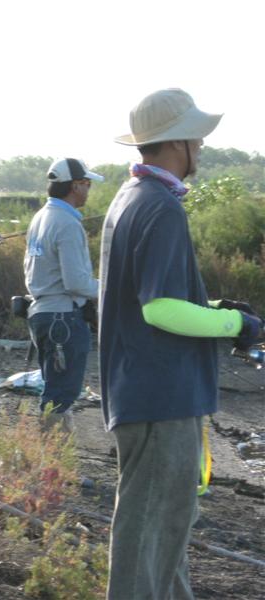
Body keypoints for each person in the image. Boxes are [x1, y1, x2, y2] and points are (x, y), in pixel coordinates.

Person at [99, 88, 264, 599]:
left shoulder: (130, 198)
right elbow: (160, 309)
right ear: (179, 144)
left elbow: (150, 298)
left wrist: (217, 312)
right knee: (150, 534)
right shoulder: (160, 208)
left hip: (145, 394)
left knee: (165, 532)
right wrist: (239, 328)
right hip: (160, 398)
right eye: (197, 136)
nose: (202, 145)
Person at [24, 158, 103, 432]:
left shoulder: (40, 218)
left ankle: (57, 468)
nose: (89, 189)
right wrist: (111, 289)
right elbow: (76, 282)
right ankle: (52, 469)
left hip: (43, 315)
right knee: (61, 396)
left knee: (56, 393)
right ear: (75, 186)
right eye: (87, 184)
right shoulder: (67, 224)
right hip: (64, 319)